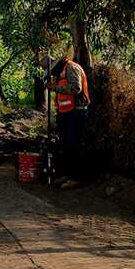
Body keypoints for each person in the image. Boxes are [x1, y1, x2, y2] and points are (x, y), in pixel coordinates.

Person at [46, 46, 90, 189]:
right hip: (66, 112)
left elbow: (76, 88)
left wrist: (55, 88)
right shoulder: (61, 72)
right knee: (66, 144)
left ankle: (77, 178)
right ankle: (68, 174)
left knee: (74, 144)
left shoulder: (71, 68)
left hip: (77, 111)